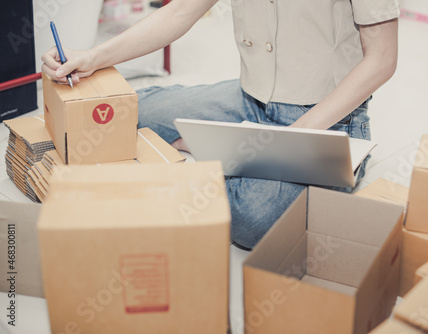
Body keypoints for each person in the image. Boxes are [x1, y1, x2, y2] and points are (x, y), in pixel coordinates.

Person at [42, 0, 399, 250]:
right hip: (250, 98)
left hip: (327, 121)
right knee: (134, 113)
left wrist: (289, 141)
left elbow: (382, 59)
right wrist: (93, 57)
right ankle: (225, 149)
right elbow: (181, 11)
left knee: (252, 219)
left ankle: (215, 152)